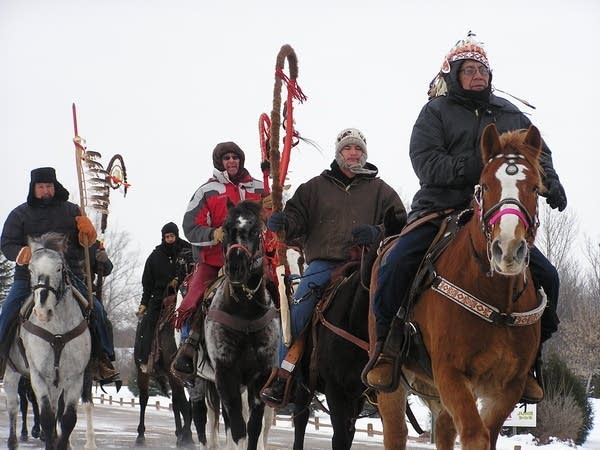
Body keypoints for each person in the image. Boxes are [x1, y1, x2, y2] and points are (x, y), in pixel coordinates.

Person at [364, 32, 567, 403]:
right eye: (469, 70)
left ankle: (532, 359)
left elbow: (539, 154)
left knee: (549, 277)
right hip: (441, 208)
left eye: (483, 70)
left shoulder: (508, 113)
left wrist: (550, 182)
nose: (478, 76)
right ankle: (387, 349)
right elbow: (426, 163)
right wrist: (478, 165)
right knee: (394, 265)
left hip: (495, 215)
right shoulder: (435, 113)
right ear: (454, 75)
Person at [259, 127, 405, 407]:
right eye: (348, 149)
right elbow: (295, 221)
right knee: (298, 312)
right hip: (324, 264)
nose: (353, 153)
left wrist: (378, 232)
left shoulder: (381, 191)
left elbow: (401, 224)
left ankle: (398, 366)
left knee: (397, 306)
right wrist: (282, 224)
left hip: (368, 263)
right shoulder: (314, 188)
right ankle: (282, 374)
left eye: (358, 149)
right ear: (338, 154)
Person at [0, 167, 120, 382]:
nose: (46, 190)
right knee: (7, 311)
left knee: (97, 311)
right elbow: (6, 243)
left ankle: (102, 359)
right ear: (33, 188)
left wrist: (87, 235)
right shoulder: (20, 214)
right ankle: (2, 358)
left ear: (55, 187)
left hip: (68, 275)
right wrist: (20, 252)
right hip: (28, 278)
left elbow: (85, 244)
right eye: (41, 187)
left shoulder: (72, 211)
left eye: (49, 186)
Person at [171, 142, 265, 380]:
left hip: (256, 262)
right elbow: (190, 226)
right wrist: (213, 235)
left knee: (283, 295)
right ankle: (188, 349)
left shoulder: (259, 187)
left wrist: (276, 203)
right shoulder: (207, 190)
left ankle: (287, 355)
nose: (232, 161)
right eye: (227, 158)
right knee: (192, 299)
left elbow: (274, 220)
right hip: (215, 261)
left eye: (235, 157)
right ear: (219, 162)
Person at [134, 222, 192, 373]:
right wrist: (143, 304)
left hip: (185, 292)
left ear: (177, 235)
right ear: (163, 237)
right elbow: (147, 284)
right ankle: (145, 358)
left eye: (172, 236)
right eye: (167, 237)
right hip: (159, 295)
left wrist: (179, 281)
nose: (170, 239)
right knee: (148, 322)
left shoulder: (187, 250)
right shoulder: (155, 257)